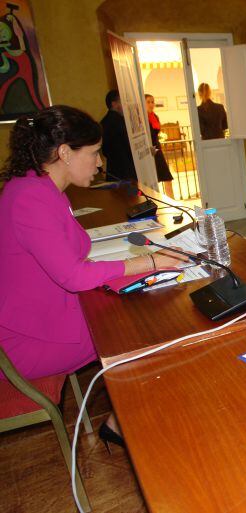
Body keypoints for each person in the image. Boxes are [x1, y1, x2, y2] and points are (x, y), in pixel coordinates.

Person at [0, 105, 187, 446]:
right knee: (144, 328)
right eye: (95, 153)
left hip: (47, 314)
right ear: (64, 153)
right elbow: (72, 275)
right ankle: (126, 422)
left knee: (140, 306)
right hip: (30, 341)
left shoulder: (38, 187)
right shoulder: (31, 198)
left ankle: (128, 413)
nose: (100, 162)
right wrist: (150, 263)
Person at [100, 90, 136, 181]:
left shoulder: (104, 121)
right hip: (125, 170)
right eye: (122, 101)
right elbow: (128, 145)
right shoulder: (120, 121)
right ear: (114, 104)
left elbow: (105, 150)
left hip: (114, 168)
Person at [145, 94, 174, 197]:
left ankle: (173, 202)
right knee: (152, 180)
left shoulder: (155, 116)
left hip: (157, 149)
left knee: (167, 177)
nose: (151, 104)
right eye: (148, 102)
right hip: (148, 151)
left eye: (152, 102)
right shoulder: (143, 118)